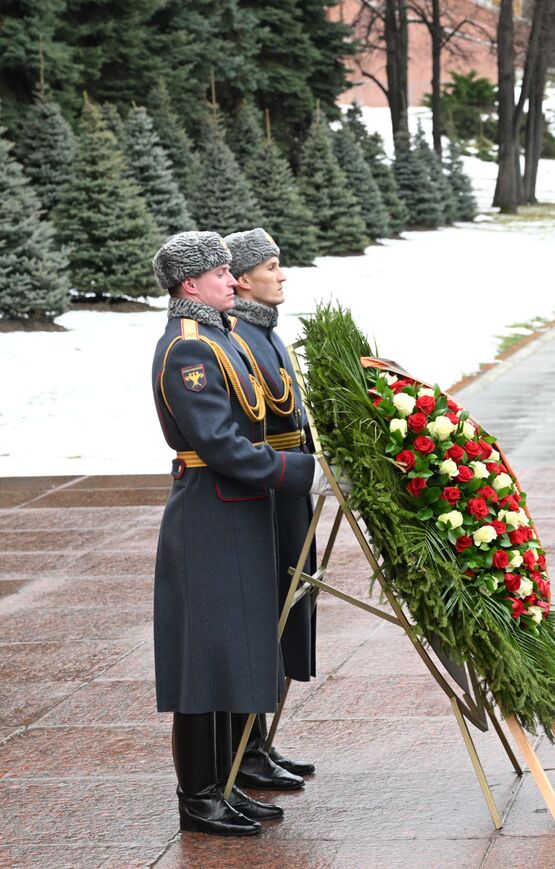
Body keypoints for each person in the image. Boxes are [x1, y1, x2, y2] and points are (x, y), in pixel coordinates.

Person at [150, 231, 319, 836]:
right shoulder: (188, 349)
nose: (232, 280)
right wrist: (297, 472)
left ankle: (222, 783)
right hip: (209, 511)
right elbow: (219, 443)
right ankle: (197, 797)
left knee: (230, 654)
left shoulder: (222, 337)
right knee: (205, 661)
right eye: (220, 274)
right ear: (190, 285)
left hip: (236, 508)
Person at [224, 228, 318, 791]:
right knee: (264, 617)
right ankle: (247, 750)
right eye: (272, 266)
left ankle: (260, 745)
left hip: (288, 489)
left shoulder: (266, 332)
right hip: (270, 489)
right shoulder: (239, 333)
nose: (282, 274)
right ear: (241, 279)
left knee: (286, 611)